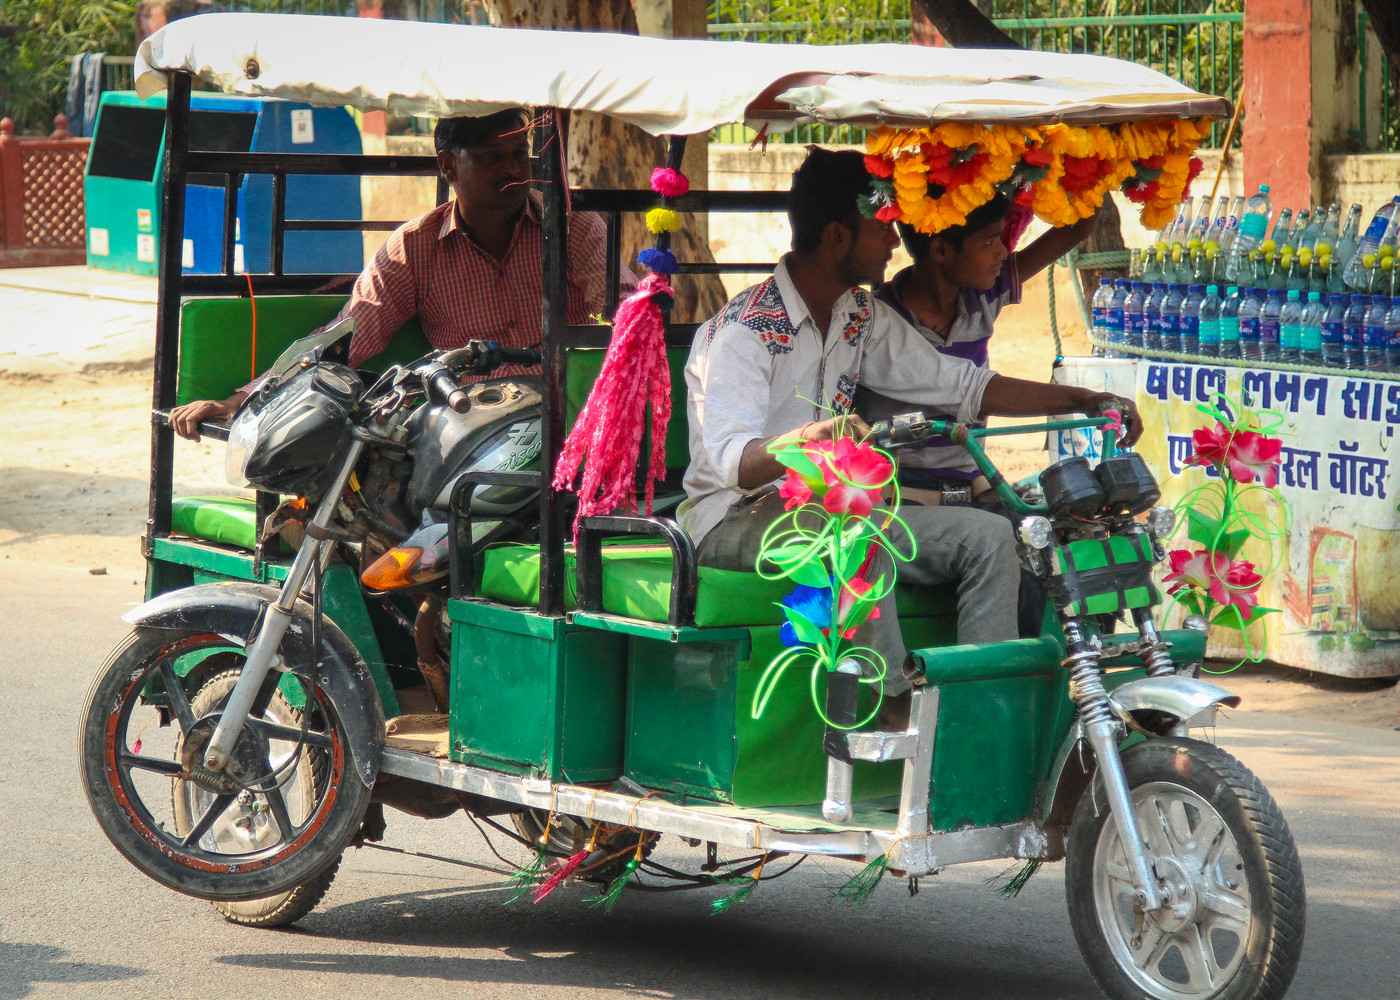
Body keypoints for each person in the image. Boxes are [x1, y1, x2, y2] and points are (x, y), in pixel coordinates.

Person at [680, 147, 1139, 724]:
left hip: (837, 511)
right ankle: (893, 706)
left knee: (991, 537)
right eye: (882, 227)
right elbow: (733, 464)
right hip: (732, 520)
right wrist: (810, 437)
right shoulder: (744, 331)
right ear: (837, 237)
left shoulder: (856, 315)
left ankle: (982, 716)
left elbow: (961, 384)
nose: (895, 242)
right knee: (855, 529)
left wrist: (1083, 400)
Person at [171, 108, 630, 440]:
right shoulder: (415, 247)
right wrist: (241, 403)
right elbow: (347, 339)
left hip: (571, 419)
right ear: (448, 166)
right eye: (492, 156)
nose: (512, 169)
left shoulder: (571, 226)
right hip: (470, 428)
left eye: (518, 153)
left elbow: (628, 313)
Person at [861, 195, 1101, 507]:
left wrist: (1081, 176)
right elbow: (974, 390)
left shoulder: (985, 295)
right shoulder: (877, 320)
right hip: (898, 489)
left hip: (971, 479)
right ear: (942, 251)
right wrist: (1085, 398)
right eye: (989, 242)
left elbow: (1079, 227)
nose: (1003, 251)